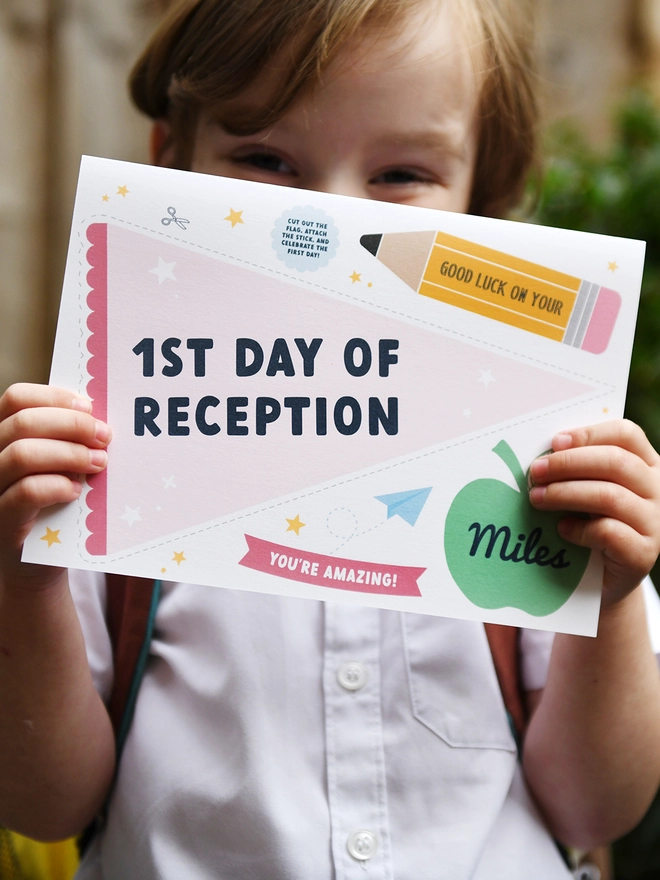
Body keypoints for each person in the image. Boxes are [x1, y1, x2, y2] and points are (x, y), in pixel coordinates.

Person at [1, 1, 660, 877]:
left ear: (482, 207)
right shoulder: (107, 459)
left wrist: (608, 600)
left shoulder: (533, 457)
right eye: (267, 159)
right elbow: (45, 803)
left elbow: (594, 805)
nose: (333, 223)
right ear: (170, 160)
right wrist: (23, 576)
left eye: (401, 174)